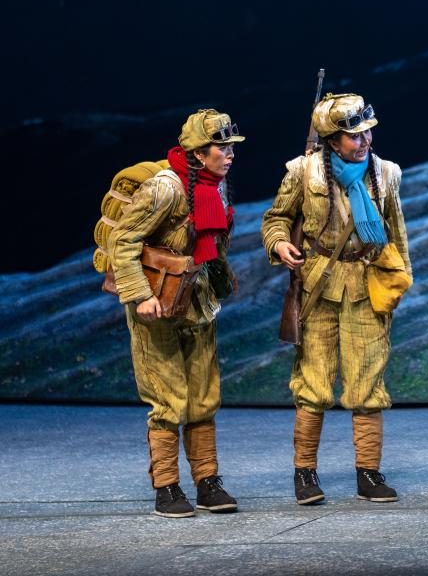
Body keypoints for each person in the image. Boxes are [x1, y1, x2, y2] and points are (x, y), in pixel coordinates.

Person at [261, 93, 411, 505]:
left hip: (366, 283)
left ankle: (369, 473)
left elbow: (396, 229)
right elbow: (276, 218)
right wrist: (279, 244)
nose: (364, 141)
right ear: (331, 140)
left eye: (366, 133)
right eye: (354, 136)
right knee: (313, 382)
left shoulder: (386, 173)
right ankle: (305, 472)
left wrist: (401, 279)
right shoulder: (302, 171)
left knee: (368, 382)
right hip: (318, 284)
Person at [107, 109, 243, 518]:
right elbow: (123, 241)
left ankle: (207, 481)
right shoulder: (165, 190)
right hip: (156, 305)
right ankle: (166, 486)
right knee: (166, 399)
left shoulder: (215, 186)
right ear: (199, 154)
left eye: (230, 147)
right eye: (221, 148)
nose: (229, 154)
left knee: (203, 397)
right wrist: (139, 295)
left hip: (196, 301)